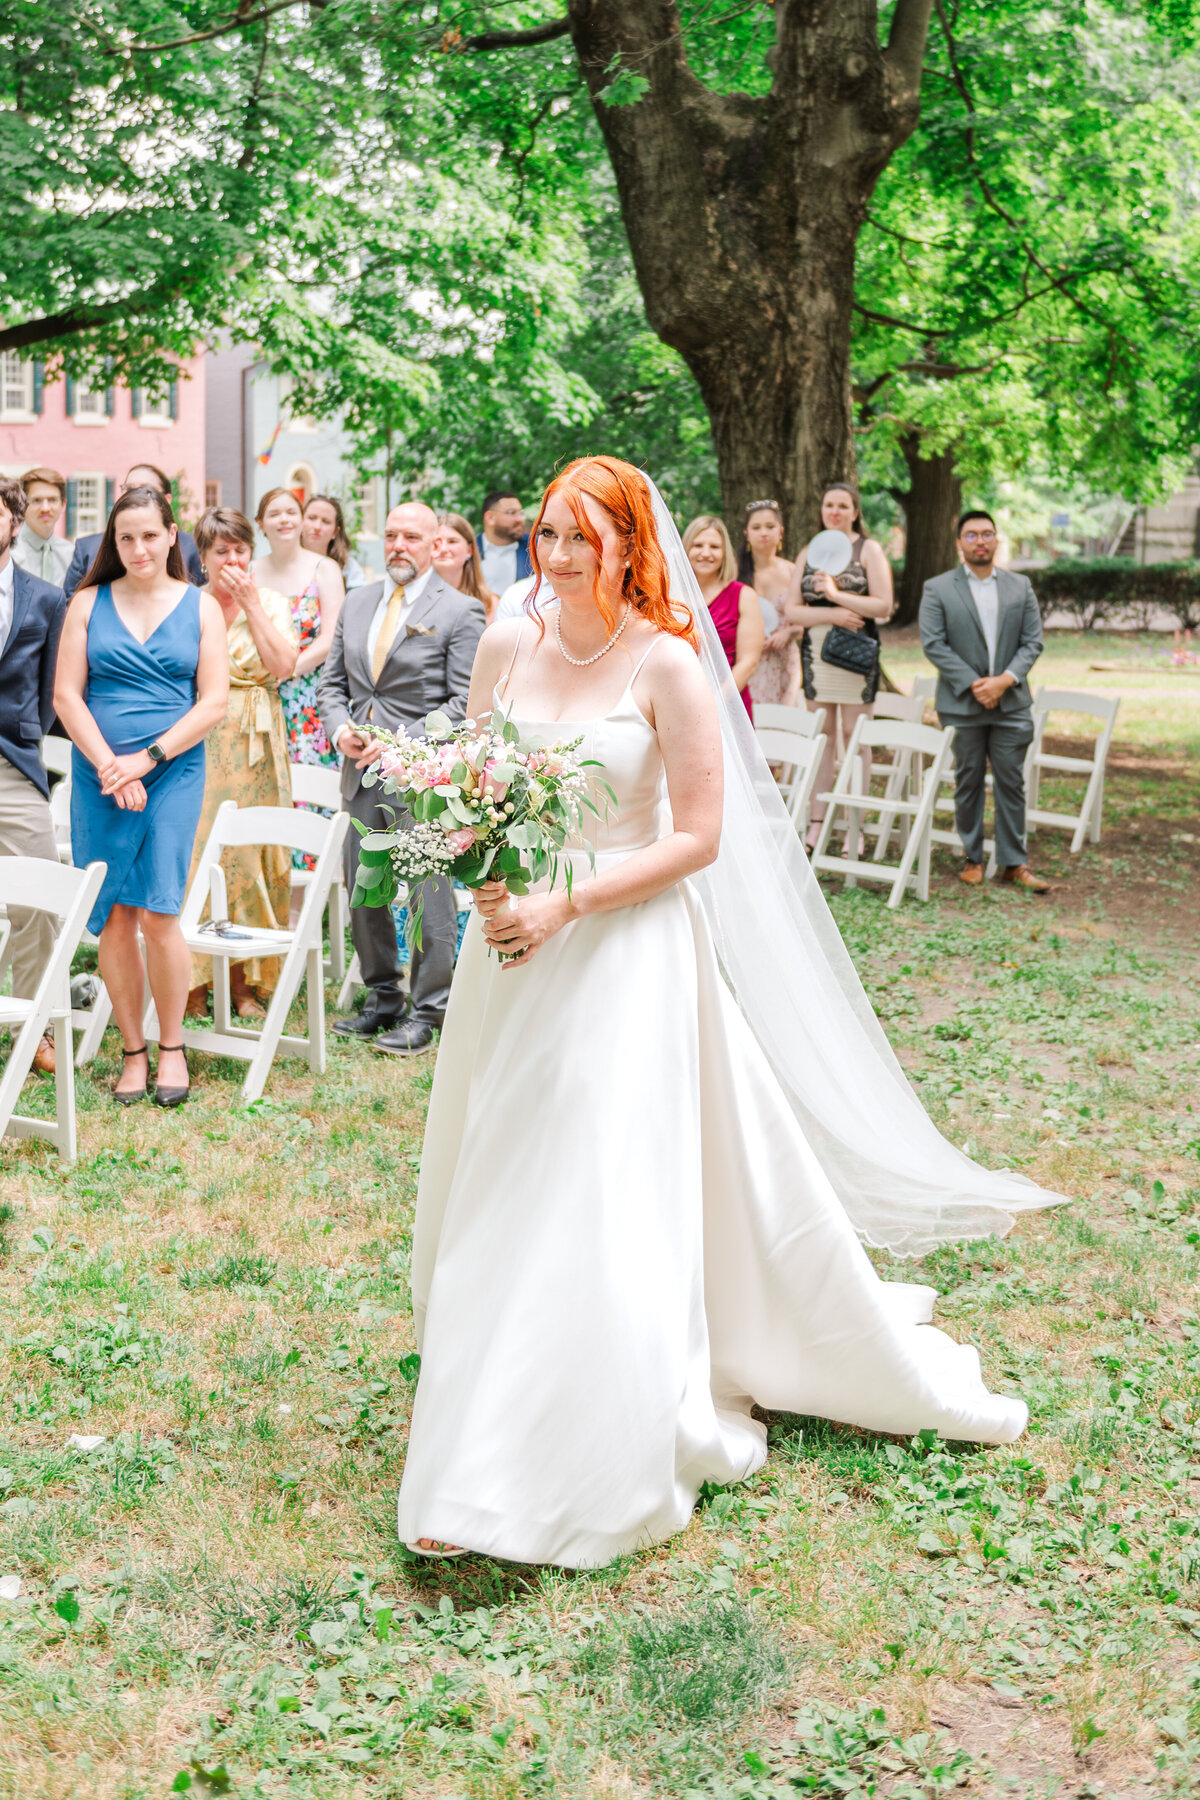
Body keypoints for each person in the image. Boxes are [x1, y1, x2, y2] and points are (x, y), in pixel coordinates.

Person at [396, 454, 1062, 1567]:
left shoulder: (666, 667)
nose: (556, 558)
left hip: (623, 950)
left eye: (580, 538)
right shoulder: (508, 642)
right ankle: (484, 1403)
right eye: (546, 535)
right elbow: (478, 786)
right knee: (502, 1163)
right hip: (512, 956)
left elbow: (696, 839)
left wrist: (569, 902)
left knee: (590, 1183)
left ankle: (554, 1450)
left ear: (627, 546)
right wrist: (494, 886)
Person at [53, 488, 228, 1107]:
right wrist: (111, 768)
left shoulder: (202, 607)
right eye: (126, 538)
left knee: (159, 910)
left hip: (173, 770)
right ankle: (132, 1048)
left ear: (172, 534)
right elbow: (67, 697)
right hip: (100, 773)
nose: (138, 548)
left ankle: (172, 1047)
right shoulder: (86, 603)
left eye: (149, 535)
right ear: (112, 542)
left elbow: (213, 702)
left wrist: (146, 761)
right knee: (115, 918)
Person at [317, 502, 485, 1055]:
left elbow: (464, 702)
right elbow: (332, 685)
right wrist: (342, 729)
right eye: (390, 534)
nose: (398, 545)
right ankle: (382, 998)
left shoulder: (461, 612)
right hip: (358, 771)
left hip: (422, 777)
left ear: (436, 543)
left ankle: (430, 1010)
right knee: (365, 890)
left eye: (411, 536)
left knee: (426, 895)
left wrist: (397, 743)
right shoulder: (358, 601)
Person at [184, 508, 299, 1021]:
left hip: (256, 745)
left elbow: (285, 666)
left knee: (251, 859)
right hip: (201, 745)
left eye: (240, 550)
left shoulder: (271, 602)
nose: (233, 560)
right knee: (197, 858)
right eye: (221, 551)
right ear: (203, 559)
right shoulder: (189, 604)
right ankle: (191, 982)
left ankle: (244, 981)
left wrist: (253, 605)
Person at [919, 510, 1049, 892]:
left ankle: (1014, 862)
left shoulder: (1019, 586)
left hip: (1012, 704)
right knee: (968, 779)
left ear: (996, 540)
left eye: (987, 534)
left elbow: (1033, 642)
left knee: (1011, 781)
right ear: (960, 543)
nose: (980, 541)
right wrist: (977, 684)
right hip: (963, 703)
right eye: (972, 535)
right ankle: (972, 857)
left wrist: (1004, 681)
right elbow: (934, 644)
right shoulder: (938, 588)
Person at [781, 483, 893, 849]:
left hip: (857, 654)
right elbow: (792, 610)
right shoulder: (808, 553)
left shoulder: (868, 549)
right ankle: (817, 822)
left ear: (855, 512)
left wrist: (836, 595)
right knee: (823, 735)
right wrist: (831, 612)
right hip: (816, 654)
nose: (835, 511)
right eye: (829, 504)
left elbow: (883, 606)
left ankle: (854, 827)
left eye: (843, 505)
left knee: (856, 735)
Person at [0, 477, 67, 1076]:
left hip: (13, 767)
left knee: (40, 897)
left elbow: (51, 692)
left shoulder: (44, 599)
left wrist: (23, 733)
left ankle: (35, 1026)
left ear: (13, 523)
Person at [253, 487, 345, 771]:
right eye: (274, 514)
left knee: (311, 792)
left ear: (301, 520)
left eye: (291, 512)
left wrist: (287, 670)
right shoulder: (249, 571)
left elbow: (331, 638)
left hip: (310, 696)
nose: (284, 520)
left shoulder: (325, 569)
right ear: (260, 524)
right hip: (260, 695)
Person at [62, 463, 205, 598]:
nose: (139, 551)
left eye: (147, 490)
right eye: (129, 489)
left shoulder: (191, 547)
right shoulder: (87, 549)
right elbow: (69, 603)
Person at [682, 513, 764, 718]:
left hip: (727, 705)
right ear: (685, 548)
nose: (706, 553)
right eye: (698, 545)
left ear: (724, 552)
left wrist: (714, 704)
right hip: (679, 702)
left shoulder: (743, 595)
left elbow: (748, 663)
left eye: (714, 547)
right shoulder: (671, 595)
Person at [740, 498, 800, 709]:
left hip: (785, 661)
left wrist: (788, 633)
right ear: (747, 534)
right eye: (756, 527)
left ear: (781, 532)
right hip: (749, 662)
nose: (764, 533)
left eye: (770, 526)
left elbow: (804, 622)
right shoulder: (736, 575)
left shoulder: (792, 571)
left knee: (784, 726)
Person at [432, 512, 497, 621]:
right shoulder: (413, 599)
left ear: (469, 550)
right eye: (436, 543)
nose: (443, 549)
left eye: (452, 541)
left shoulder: (490, 604)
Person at [13, 468, 73, 587]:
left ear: (63, 505)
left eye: (52, 500)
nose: (45, 508)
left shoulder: (73, 555)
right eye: (36, 500)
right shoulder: (8, 554)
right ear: (22, 505)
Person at [301, 493, 366, 591]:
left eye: (326, 521)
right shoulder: (285, 562)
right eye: (312, 518)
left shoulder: (349, 568)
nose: (317, 527)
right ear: (300, 522)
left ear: (335, 532)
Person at [475, 490, 532, 598]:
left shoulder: (535, 547)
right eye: (512, 512)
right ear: (490, 518)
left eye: (521, 513)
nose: (519, 519)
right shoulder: (468, 551)